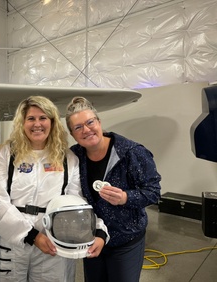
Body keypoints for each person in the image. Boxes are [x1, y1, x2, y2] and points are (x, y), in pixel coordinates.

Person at [0, 96, 109, 282]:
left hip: (54, 239)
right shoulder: (6, 153)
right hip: (12, 238)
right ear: (22, 122)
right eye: (31, 119)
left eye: (43, 118)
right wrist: (31, 235)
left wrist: (99, 229)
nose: (37, 124)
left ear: (52, 122)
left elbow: (76, 201)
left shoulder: (67, 158)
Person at [65, 96, 162, 282]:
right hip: (91, 238)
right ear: (72, 134)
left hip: (125, 241)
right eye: (78, 127)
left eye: (90, 122)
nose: (86, 130)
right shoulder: (74, 155)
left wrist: (126, 197)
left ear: (99, 122)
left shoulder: (131, 152)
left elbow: (153, 191)